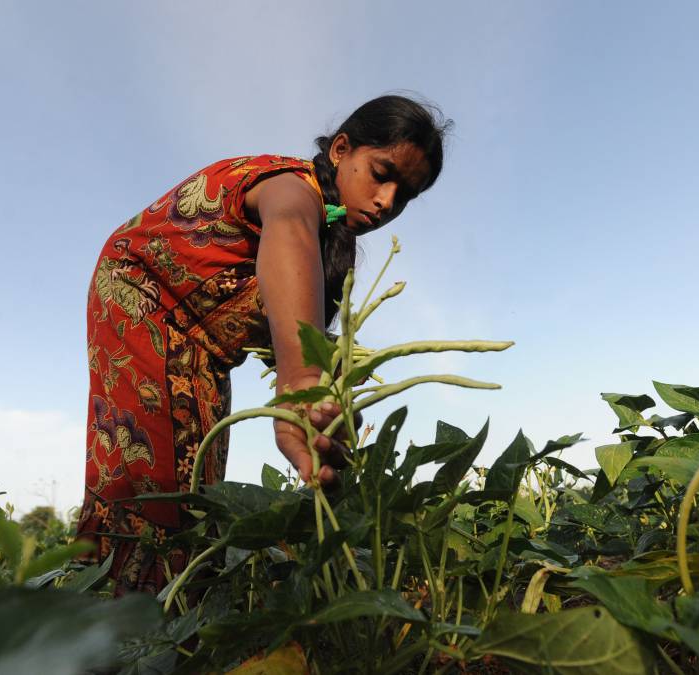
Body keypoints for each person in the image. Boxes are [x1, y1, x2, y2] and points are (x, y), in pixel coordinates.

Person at [75, 94, 450, 594]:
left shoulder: (330, 245)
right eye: (381, 172)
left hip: (201, 348)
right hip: (141, 300)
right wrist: (301, 381)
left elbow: (297, 329)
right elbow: (289, 228)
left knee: (196, 479)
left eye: (405, 194)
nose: (387, 201)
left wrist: (326, 388)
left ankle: (170, 616)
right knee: (150, 484)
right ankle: (111, 628)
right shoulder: (290, 187)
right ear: (341, 149)